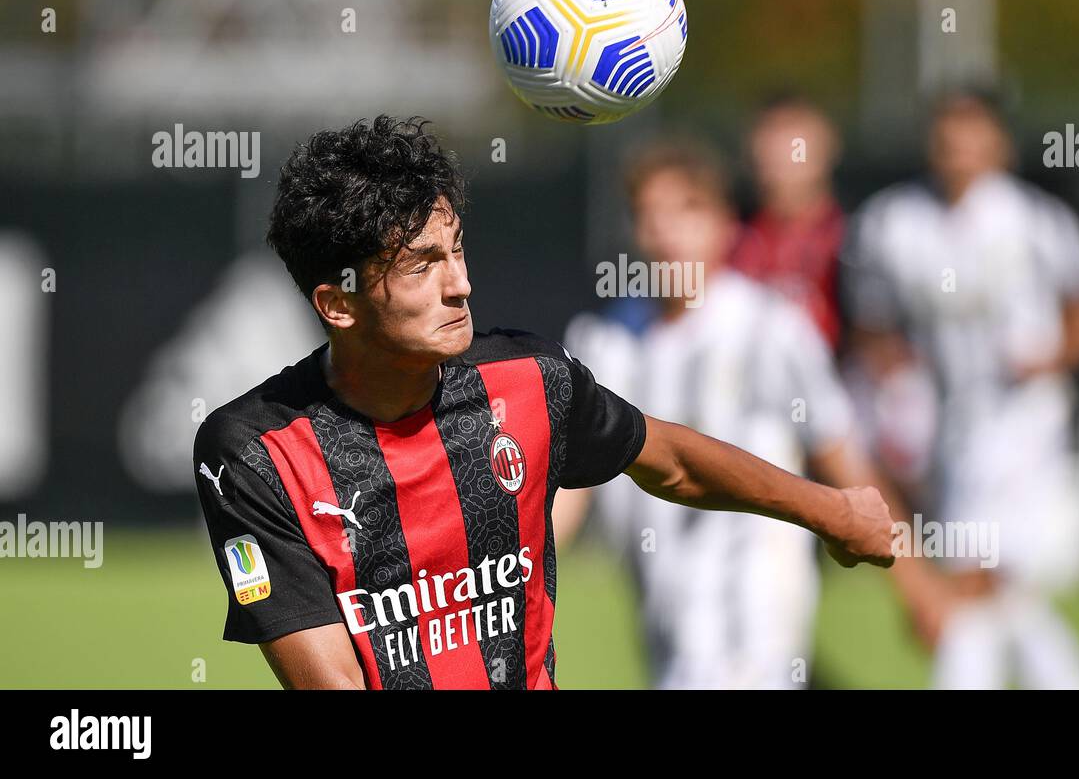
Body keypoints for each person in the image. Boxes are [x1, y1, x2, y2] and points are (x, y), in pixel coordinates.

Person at [191, 115, 897, 691]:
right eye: (422, 266)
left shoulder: (530, 379)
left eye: (457, 250)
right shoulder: (253, 453)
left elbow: (671, 460)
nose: (460, 285)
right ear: (337, 304)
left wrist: (833, 511)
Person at [554, 137, 948, 688]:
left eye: (686, 210)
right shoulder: (606, 343)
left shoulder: (771, 328)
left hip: (755, 613)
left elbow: (842, 457)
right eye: (649, 213)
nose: (665, 231)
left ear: (725, 225)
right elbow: (572, 491)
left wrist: (915, 583)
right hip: (665, 620)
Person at [841, 91, 1079, 688]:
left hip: (1025, 424)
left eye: (972, 133)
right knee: (999, 588)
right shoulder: (893, 223)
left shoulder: (1038, 221)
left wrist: (1050, 360)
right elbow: (872, 328)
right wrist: (895, 382)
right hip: (950, 422)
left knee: (975, 571)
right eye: (946, 134)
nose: (957, 149)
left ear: (998, 142)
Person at [730, 92, 847, 350]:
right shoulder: (728, 241)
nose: (779, 156)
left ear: (826, 149)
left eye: (791, 141)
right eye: (770, 138)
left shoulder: (854, 242)